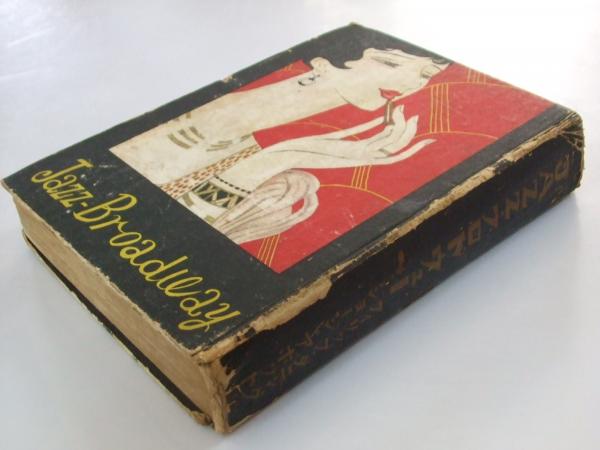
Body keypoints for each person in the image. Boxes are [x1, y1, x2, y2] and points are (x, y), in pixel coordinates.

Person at [111, 48, 449, 243]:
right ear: (322, 63)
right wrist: (286, 155)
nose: (409, 83)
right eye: (390, 63)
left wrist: (284, 156)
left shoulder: (251, 150)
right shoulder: (184, 129)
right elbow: (149, 234)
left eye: (426, 75)